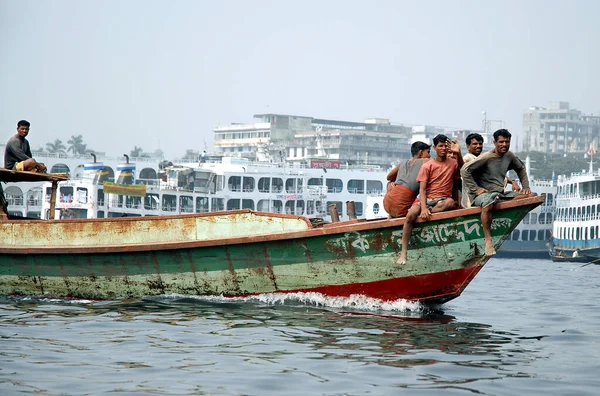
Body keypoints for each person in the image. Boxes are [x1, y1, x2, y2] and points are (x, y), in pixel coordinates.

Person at [461, 129, 531, 256]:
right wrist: (476, 189)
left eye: (507, 142)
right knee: (489, 201)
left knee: (530, 196)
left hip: (499, 194)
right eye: (501, 142)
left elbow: (520, 168)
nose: (504, 144)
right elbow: (465, 170)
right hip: (482, 196)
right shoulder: (486, 157)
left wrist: (526, 187)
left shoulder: (509, 155)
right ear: (494, 142)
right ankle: (488, 240)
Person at [398, 134, 463, 264]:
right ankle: (403, 253)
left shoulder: (453, 164)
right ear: (435, 148)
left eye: (446, 146)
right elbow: (422, 190)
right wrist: (422, 208)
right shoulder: (428, 165)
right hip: (426, 199)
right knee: (410, 216)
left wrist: (459, 153)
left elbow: (461, 174)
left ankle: (429, 212)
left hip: (442, 200)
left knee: (450, 202)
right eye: (440, 146)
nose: (443, 148)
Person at [462, 132, 520, 208]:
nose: (478, 146)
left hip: (486, 195)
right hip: (474, 198)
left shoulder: (482, 159)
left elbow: (494, 173)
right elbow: (463, 169)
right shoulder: (468, 159)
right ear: (468, 146)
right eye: (475, 144)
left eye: (480, 144)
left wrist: (512, 181)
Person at [383, 141, 431, 218]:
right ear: (421, 152)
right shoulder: (425, 161)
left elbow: (389, 177)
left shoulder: (403, 162)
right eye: (428, 152)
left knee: (391, 183)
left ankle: (391, 213)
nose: (429, 155)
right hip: (401, 208)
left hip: (387, 204)